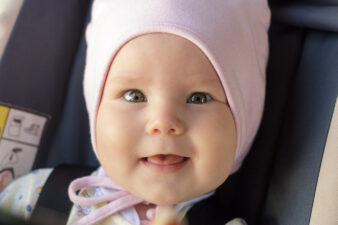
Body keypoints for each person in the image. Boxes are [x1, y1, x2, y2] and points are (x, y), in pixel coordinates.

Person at [0, 0, 270, 224]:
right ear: (96, 110)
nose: (163, 122)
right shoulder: (37, 193)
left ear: (243, 120)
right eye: (134, 96)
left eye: (198, 98)